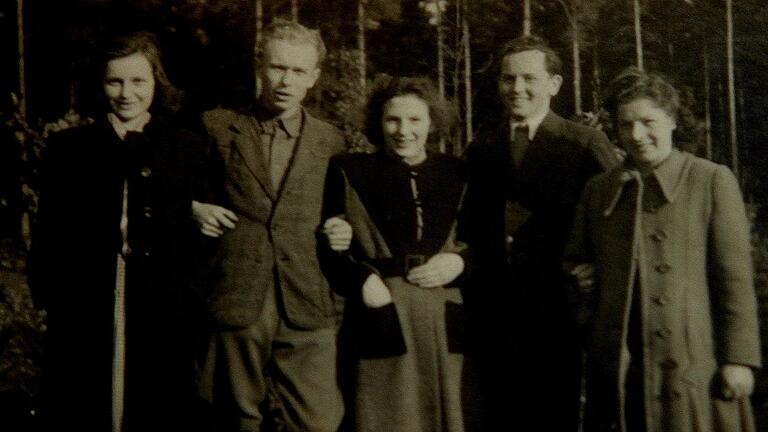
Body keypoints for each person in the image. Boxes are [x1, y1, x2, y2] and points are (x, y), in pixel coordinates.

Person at [28, 32, 209, 431]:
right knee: (85, 397)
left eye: (138, 81)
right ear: (101, 84)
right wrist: (51, 293)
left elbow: (194, 230)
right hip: (87, 296)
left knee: (156, 399)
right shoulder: (70, 148)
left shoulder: (185, 147)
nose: (127, 93)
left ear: (156, 82)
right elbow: (49, 229)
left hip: (162, 299)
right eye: (115, 81)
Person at [564, 69, 761, 432]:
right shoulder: (600, 190)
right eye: (626, 125)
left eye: (648, 121)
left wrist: (739, 359)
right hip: (623, 365)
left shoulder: (710, 180)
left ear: (671, 120)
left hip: (693, 364)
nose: (637, 135)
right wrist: (583, 283)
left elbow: (734, 281)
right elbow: (575, 260)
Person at [192, 19, 346, 431]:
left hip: (307, 294)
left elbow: (344, 208)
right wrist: (194, 208)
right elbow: (177, 187)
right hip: (238, 291)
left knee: (318, 420)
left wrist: (343, 226)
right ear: (259, 65)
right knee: (236, 415)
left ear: (313, 77)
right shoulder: (217, 127)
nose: (285, 80)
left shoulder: (331, 141)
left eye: (298, 71)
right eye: (278, 67)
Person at [460, 35, 619, 429]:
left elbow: (617, 217)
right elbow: (468, 226)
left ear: (554, 84)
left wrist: (597, 268)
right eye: (508, 79)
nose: (517, 89)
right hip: (493, 308)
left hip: (559, 309)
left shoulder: (583, 144)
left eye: (529, 78)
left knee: (554, 412)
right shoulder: (481, 149)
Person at [320, 76, 482, 432]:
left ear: (432, 122)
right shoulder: (350, 171)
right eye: (393, 120)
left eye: (414, 120)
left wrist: (460, 262)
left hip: (444, 316)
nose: (403, 130)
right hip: (384, 311)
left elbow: (483, 243)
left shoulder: (459, 173)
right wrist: (362, 280)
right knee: (389, 414)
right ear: (378, 122)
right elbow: (328, 247)